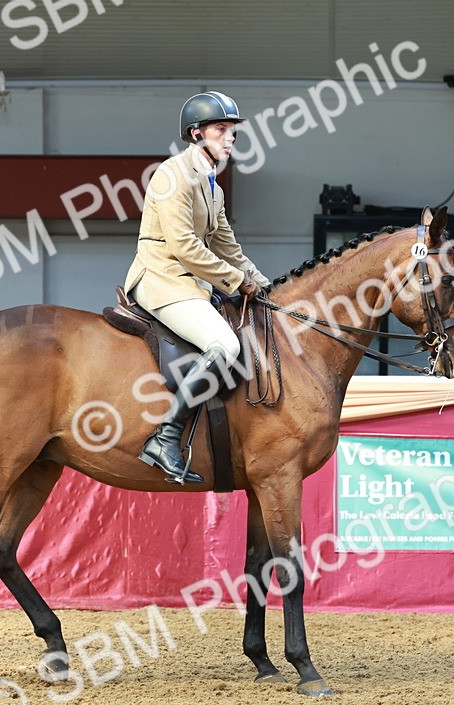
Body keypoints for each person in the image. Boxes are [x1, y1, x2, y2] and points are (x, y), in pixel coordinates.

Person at [123, 91, 271, 484]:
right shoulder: (172, 176)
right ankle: (165, 438)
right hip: (162, 280)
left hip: (192, 283)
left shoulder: (213, 187)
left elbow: (227, 247)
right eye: (221, 129)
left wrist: (265, 284)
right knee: (226, 345)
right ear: (196, 133)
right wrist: (238, 282)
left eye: (233, 131)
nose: (230, 138)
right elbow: (184, 246)